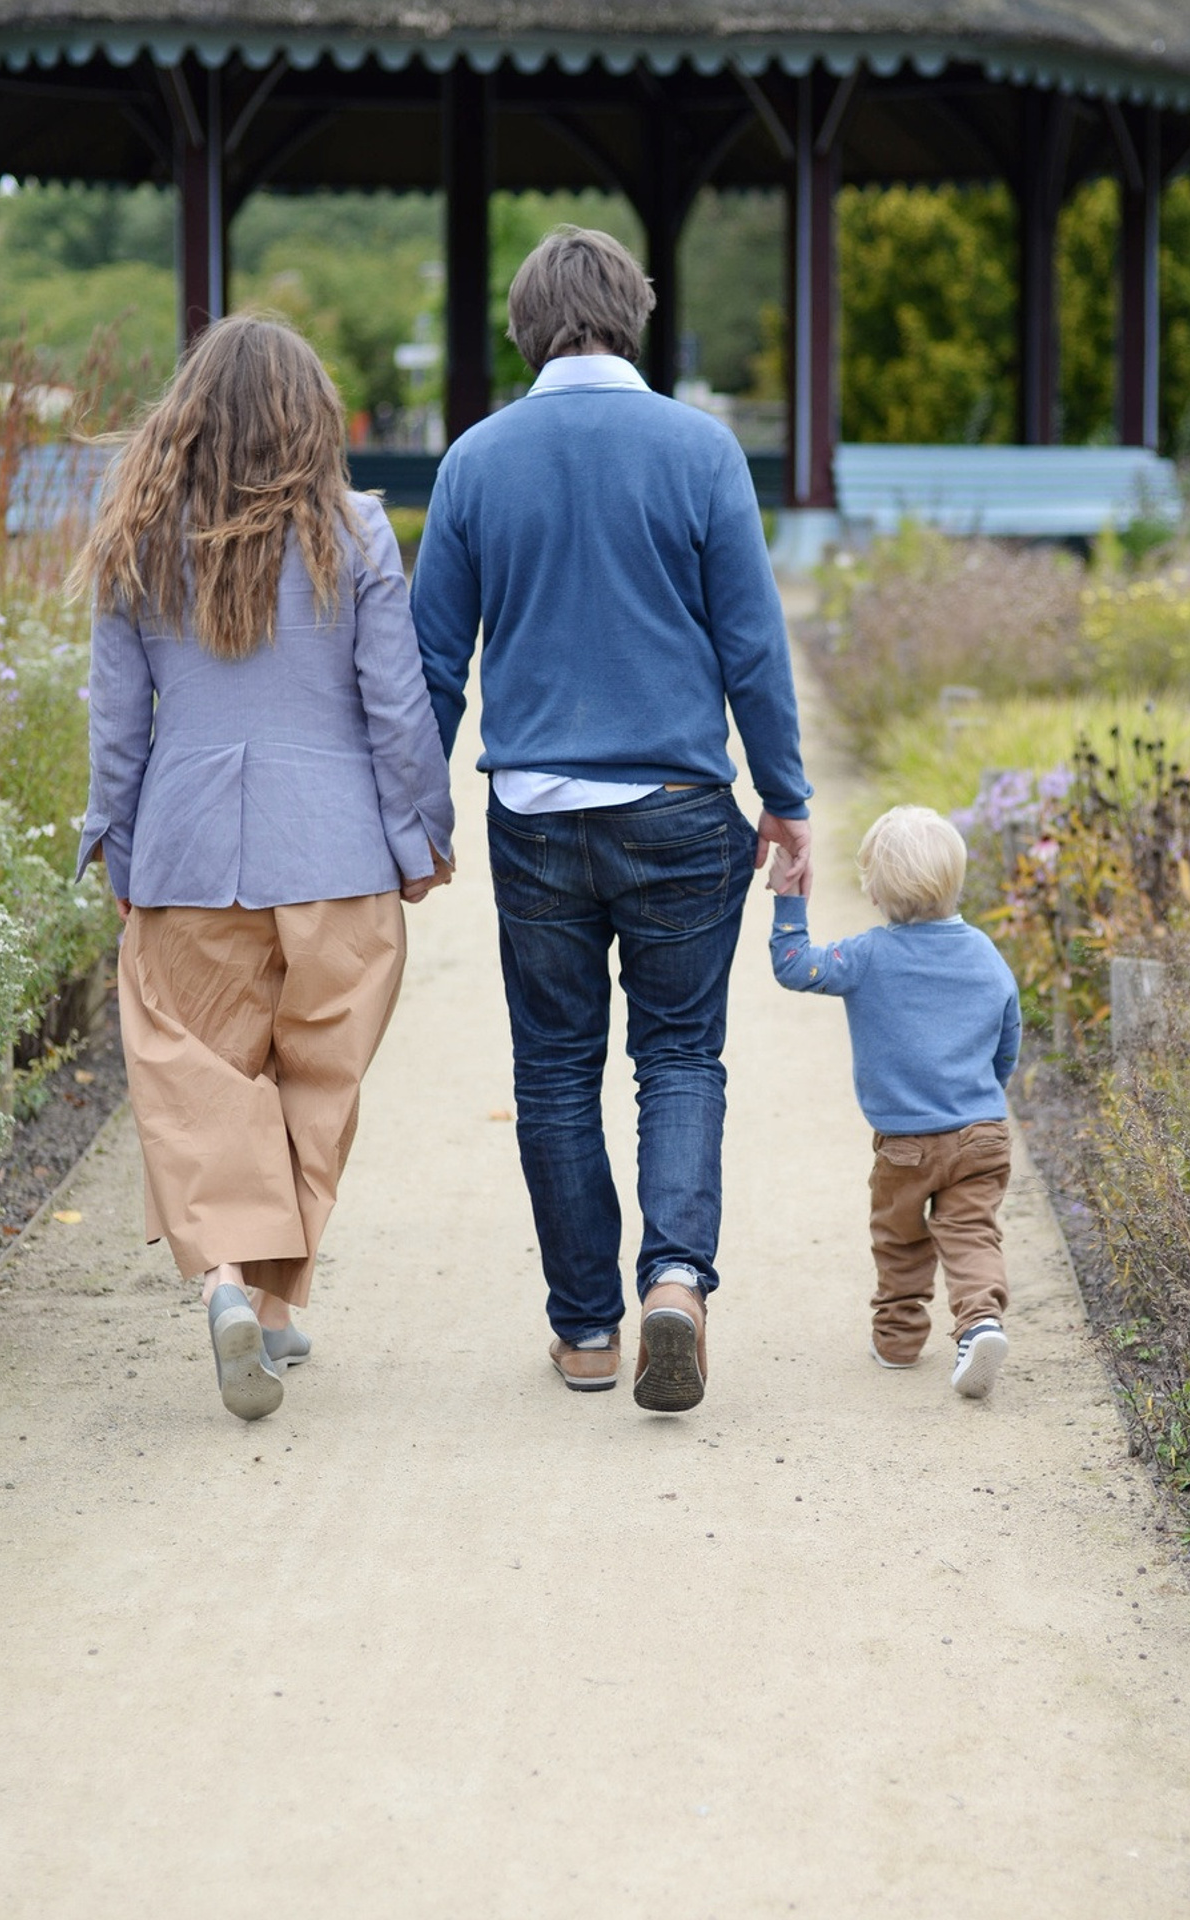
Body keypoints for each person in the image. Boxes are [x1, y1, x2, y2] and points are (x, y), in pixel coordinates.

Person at [411, 226, 811, 1413]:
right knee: (681, 1055)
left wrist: (416, 815)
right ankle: (677, 1283)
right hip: (683, 807)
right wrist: (783, 798)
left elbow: (434, 661)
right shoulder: (701, 452)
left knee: (553, 1068)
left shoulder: (476, 463)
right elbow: (751, 644)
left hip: (534, 811)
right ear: (631, 315)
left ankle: (585, 1330)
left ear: (525, 325)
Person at [73, 313, 455, 1424]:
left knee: (198, 1075)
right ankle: (276, 1313)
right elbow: (397, 705)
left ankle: (234, 1292)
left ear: (186, 413)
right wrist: (419, 833)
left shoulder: (136, 533)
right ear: (313, 415)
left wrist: (121, 842)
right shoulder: (358, 533)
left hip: (191, 849)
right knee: (316, 1085)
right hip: (336, 855)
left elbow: (117, 724)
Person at [769, 807, 1021, 1399]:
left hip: (905, 1142)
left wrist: (789, 900)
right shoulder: (986, 953)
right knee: (972, 1233)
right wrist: (985, 1097)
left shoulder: (867, 955)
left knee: (900, 1238)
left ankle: (899, 1340)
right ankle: (980, 1321)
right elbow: (1007, 1036)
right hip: (982, 1131)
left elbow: (793, 967)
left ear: (877, 893)